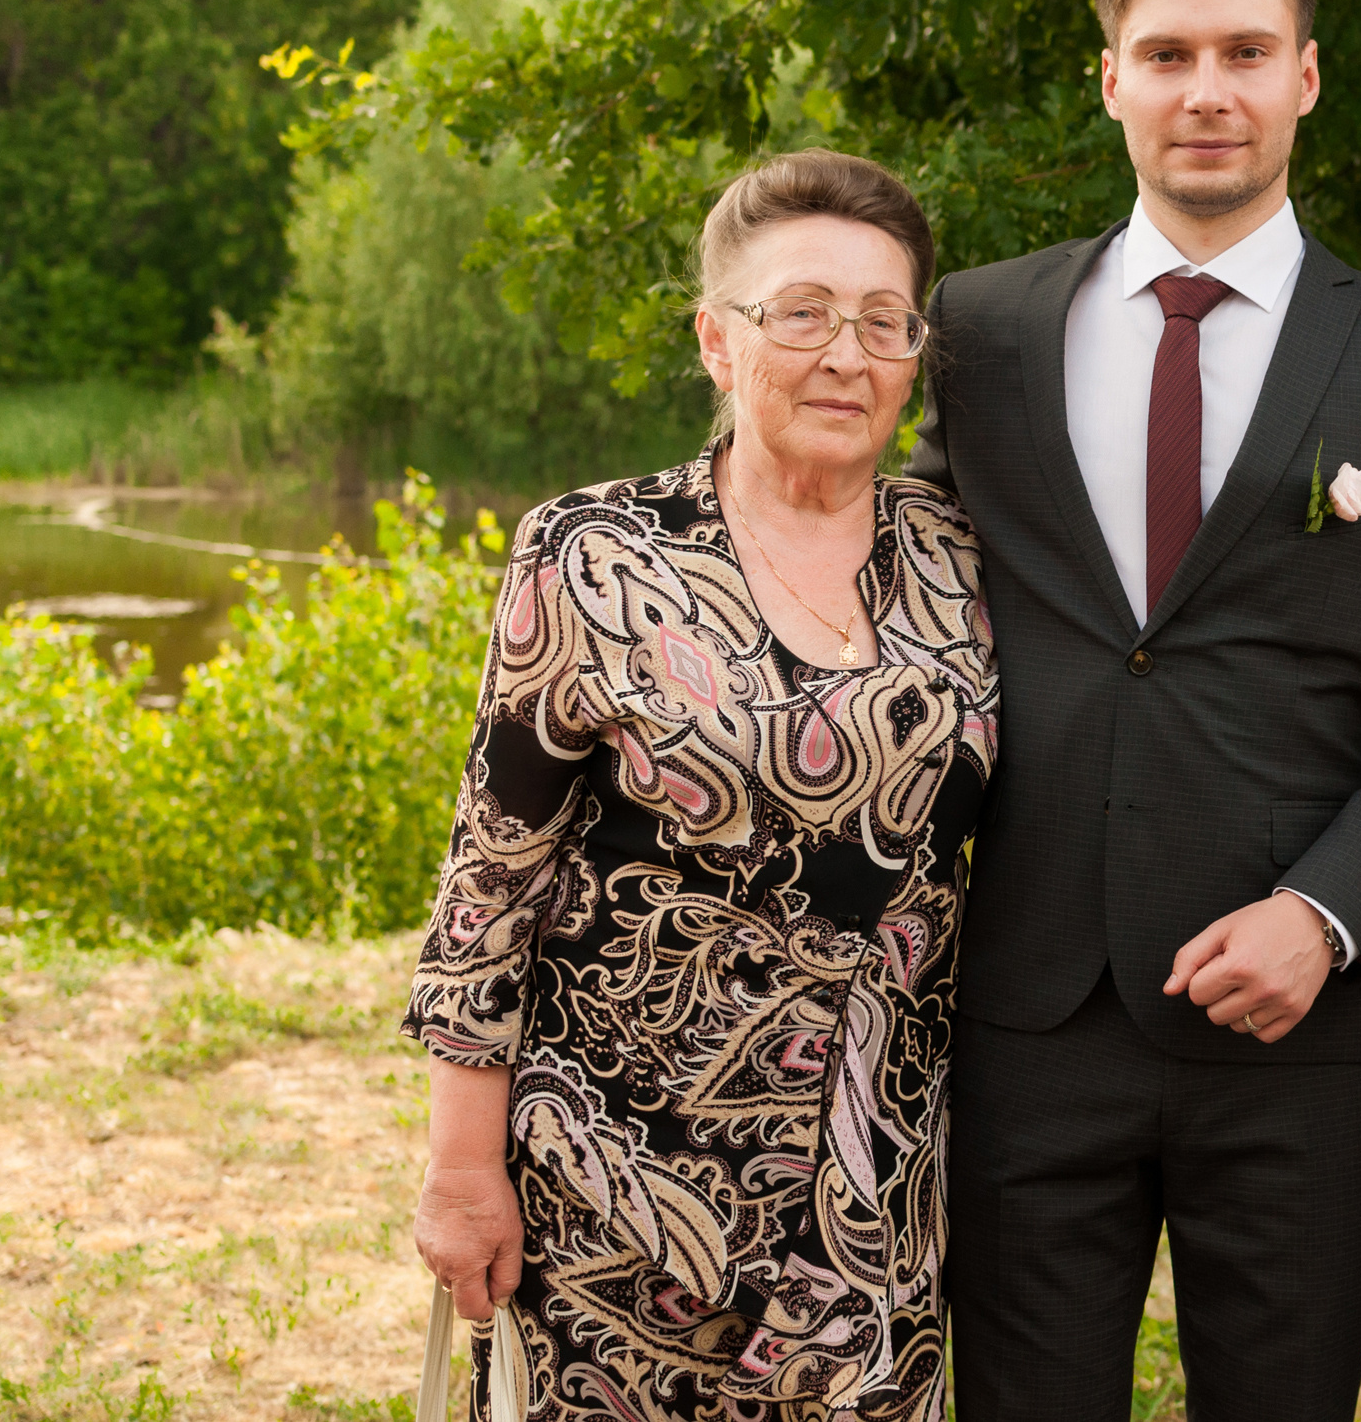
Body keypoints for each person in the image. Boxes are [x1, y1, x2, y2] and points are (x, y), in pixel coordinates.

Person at [907, 0, 1361, 1422]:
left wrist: (1331, 913)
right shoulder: (981, 330)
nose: (1208, 91)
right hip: (1027, 1010)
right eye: (1167, 54)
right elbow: (902, 595)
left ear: (1305, 78)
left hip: (1303, 1032)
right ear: (1109, 79)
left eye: (1246, 53)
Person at [402, 149, 998, 1421]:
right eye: (802, 314)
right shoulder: (591, 551)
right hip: (615, 1189)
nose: (846, 355)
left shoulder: (964, 555)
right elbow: (490, 877)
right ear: (718, 341)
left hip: (876, 1191)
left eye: (884, 321)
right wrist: (461, 1168)